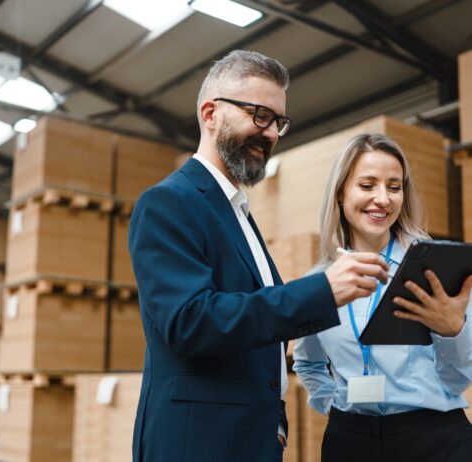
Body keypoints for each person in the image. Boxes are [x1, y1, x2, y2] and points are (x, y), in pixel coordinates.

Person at [128, 50, 389, 462]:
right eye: (258, 114)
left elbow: (258, 336)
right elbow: (190, 322)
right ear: (210, 113)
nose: (269, 133)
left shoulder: (236, 212)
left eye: (278, 122)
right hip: (198, 445)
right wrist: (321, 290)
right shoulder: (168, 203)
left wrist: (276, 426)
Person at [293, 133, 472, 462]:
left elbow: (458, 378)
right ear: (341, 192)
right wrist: (333, 404)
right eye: (367, 185)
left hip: (434, 439)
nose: (383, 199)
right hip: (350, 441)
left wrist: (452, 331)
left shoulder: (435, 268)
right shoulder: (318, 283)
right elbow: (307, 362)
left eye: (394, 186)